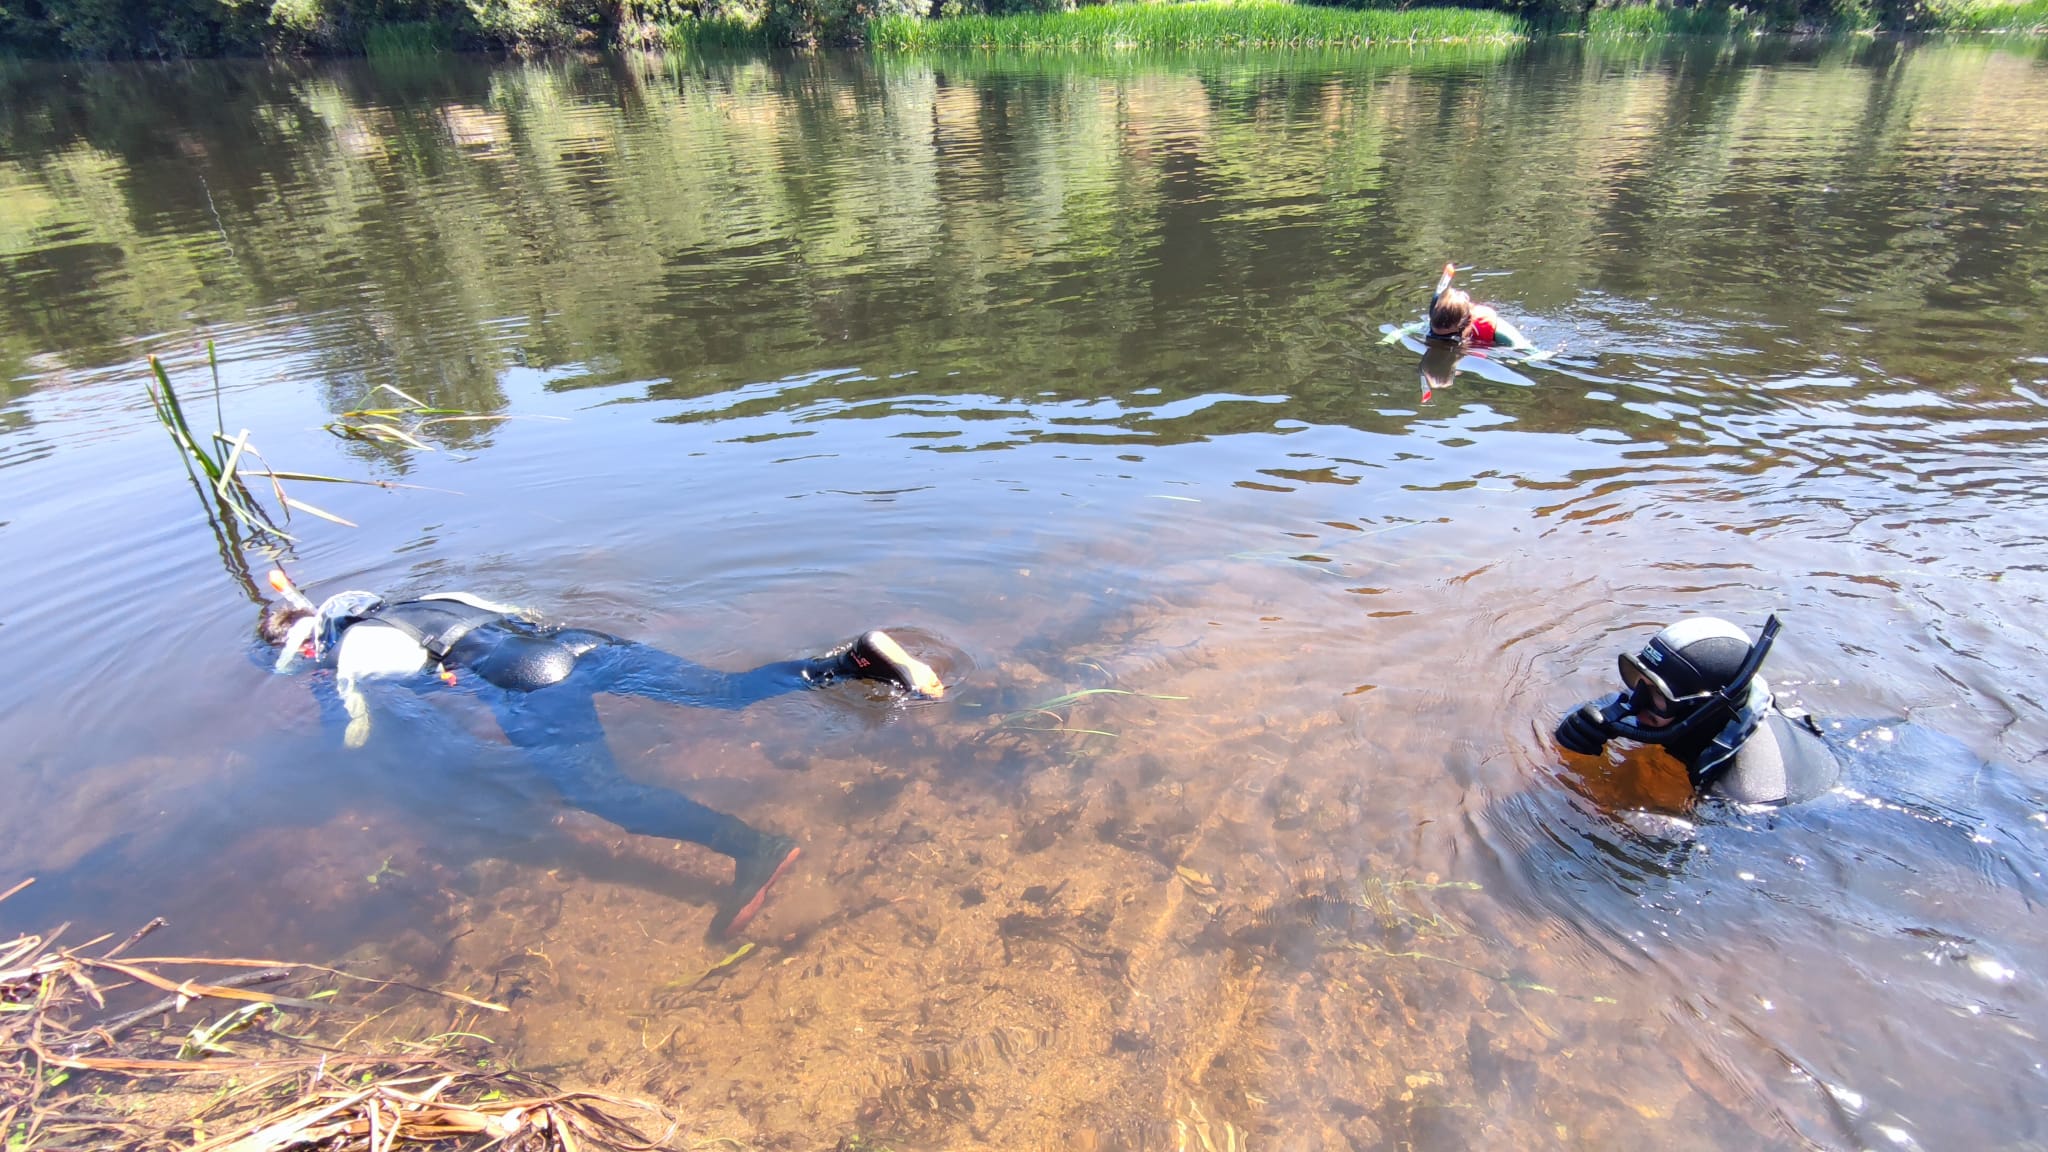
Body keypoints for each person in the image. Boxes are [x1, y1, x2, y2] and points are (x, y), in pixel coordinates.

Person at [259, 569, 944, 936]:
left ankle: (755, 848)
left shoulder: (344, 655)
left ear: (308, 644)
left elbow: (352, 739)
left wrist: (332, 702)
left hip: (530, 684)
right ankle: (852, 662)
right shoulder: (427, 597)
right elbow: (521, 615)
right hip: (583, 644)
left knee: (598, 792)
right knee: (726, 692)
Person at [1553, 615, 1841, 807]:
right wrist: (1579, 726)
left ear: (1707, 709)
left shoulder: (1750, 792)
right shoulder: (1677, 707)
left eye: (1657, 696)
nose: (1636, 701)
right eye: (1638, 681)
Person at [1385, 263, 1538, 351]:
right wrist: (1390, 339)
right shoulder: (1439, 321)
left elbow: (1525, 347)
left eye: (1449, 337)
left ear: (1464, 324)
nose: (1440, 339)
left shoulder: (1493, 328)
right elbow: (1402, 331)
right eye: (1434, 332)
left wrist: (1528, 357)